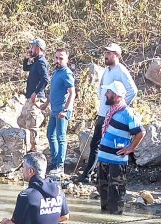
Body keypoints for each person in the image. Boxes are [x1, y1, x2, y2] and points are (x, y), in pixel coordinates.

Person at [77, 43, 138, 182]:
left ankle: (92, 174)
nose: (106, 55)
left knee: (103, 145)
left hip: (112, 115)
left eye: (110, 53)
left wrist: (120, 108)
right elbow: (102, 89)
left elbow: (133, 91)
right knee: (96, 144)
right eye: (106, 53)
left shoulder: (121, 70)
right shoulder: (107, 70)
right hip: (103, 113)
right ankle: (91, 174)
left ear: (117, 55)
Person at [94, 81, 146, 215]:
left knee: (115, 197)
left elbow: (141, 132)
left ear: (117, 96)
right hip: (103, 159)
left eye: (109, 92)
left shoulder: (127, 113)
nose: (106, 95)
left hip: (116, 162)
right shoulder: (111, 111)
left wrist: (131, 148)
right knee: (103, 195)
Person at [0, 153, 71, 224]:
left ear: (30, 171)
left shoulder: (26, 195)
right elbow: (65, 217)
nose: (21, 170)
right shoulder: (58, 190)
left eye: (23, 167)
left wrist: (5, 222)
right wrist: (44, 218)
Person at [44, 48, 76, 177]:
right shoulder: (56, 72)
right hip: (54, 109)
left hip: (62, 111)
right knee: (50, 134)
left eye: (61, 58)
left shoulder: (66, 73)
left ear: (67, 60)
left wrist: (65, 110)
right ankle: (55, 160)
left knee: (61, 137)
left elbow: (72, 93)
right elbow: (53, 91)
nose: (58, 60)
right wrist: (46, 104)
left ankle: (60, 166)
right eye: (56, 57)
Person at [20, 38, 50, 152]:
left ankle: (35, 150)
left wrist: (36, 92)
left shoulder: (41, 61)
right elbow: (26, 68)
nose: (30, 49)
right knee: (22, 121)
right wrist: (26, 58)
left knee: (32, 124)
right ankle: (28, 147)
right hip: (30, 97)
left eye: (32, 47)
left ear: (38, 48)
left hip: (36, 98)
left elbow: (45, 79)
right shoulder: (36, 61)